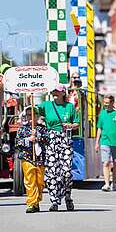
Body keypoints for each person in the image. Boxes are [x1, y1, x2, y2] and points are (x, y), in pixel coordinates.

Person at [38, 84, 80, 212]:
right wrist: (30, 97)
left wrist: (70, 125)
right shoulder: (46, 105)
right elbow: (32, 112)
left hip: (65, 139)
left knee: (66, 172)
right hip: (51, 139)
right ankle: (54, 200)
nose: (55, 93)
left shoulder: (69, 107)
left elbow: (77, 123)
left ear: (63, 93)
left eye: (58, 91)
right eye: (53, 91)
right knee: (52, 173)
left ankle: (67, 196)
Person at [15, 106, 49, 213]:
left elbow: (47, 139)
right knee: (30, 181)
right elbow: (17, 143)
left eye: (33, 115)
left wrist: (37, 137)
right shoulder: (22, 129)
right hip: (27, 157)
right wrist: (28, 140)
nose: (31, 117)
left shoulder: (42, 128)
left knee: (39, 182)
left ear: (37, 116)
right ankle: (31, 203)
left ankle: (37, 201)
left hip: (40, 158)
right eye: (29, 115)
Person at [95, 94, 116, 192]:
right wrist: (97, 142)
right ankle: (106, 184)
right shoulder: (102, 114)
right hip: (105, 141)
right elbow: (99, 128)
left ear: (112, 103)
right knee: (106, 162)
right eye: (104, 103)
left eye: (107, 103)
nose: (105, 105)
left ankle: (114, 182)